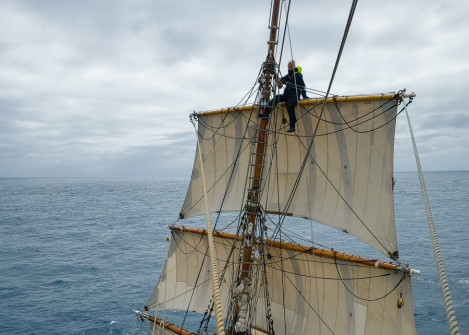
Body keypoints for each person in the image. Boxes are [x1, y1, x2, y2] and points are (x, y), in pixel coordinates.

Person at [258, 60, 306, 133]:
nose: (290, 67)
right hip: (287, 95)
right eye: (289, 66)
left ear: (294, 67)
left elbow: (303, 86)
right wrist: (277, 78)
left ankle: (292, 126)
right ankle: (266, 113)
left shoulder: (298, 75)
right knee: (276, 98)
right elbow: (281, 81)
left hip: (294, 95)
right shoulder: (288, 75)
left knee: (290, 106)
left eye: (291, 66)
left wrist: (304, 95)